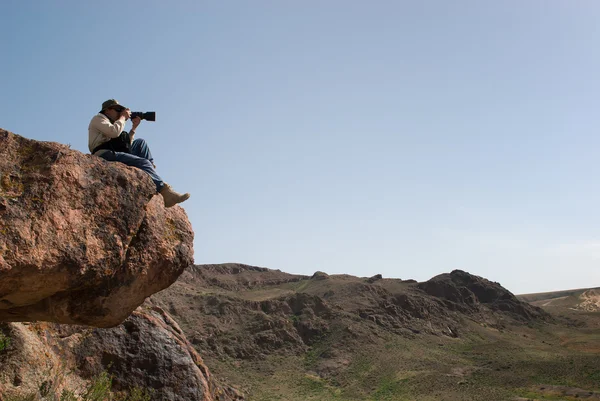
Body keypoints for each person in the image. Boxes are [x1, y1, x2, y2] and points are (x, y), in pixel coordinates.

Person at [88, 99, 190, 207]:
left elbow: (126, 146)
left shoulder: (113, 123)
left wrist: (133, 128)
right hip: (103, 154)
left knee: (141, 143)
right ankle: (165, 192)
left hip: (113, 152)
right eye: (118, 110)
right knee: (143, 162)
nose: (120, 112)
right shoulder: (99, 118)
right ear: (107, 110)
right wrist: (123, 117)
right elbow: (114, 132)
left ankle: (150, 171)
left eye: (121, 110)